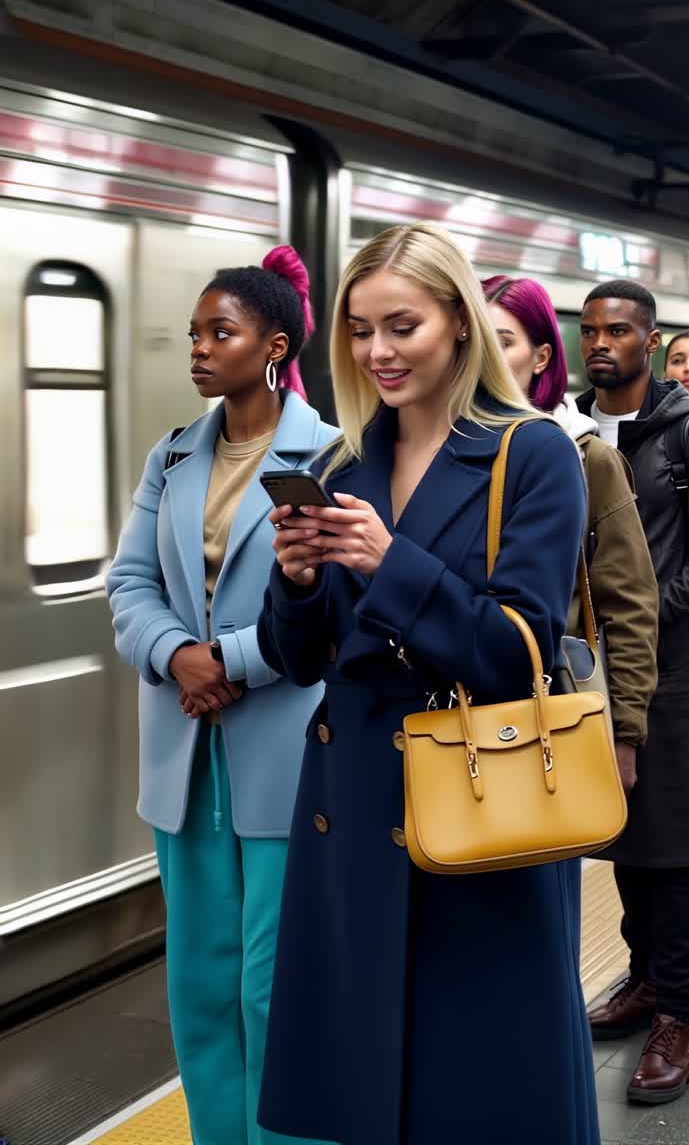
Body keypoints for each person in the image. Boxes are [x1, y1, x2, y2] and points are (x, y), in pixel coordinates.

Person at [255, 222, 597, 1145]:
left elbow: (517, 651)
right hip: (358, 809)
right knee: (371, 1087)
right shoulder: (340, 464)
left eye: (401, 326)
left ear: (457, 320)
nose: (378, 353)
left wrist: (389, 563)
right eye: (361, 332)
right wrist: (294, 584)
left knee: (485, 1084)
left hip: (480, 803)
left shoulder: (533, 455)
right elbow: (299, 661)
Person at [106, 247, 336, 1145]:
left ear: (274, 346)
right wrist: (175, 656)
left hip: (285, 755)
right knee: (201, 986)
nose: (199, 348)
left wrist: (229, 662)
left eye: (221, 332)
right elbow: (128, 584)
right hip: (184, 759)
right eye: (197, 333)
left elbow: (327, 601)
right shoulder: (173, 455)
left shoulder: (330, 452)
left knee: (273, 985)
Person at [576, 278, 689, 1105]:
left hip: (670, 671)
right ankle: (639, 978)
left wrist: (643, 610)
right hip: (590, 673)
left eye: (619, 331)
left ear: (650, 340)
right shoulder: (566, 432)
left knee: (671, 849)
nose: (601, 344)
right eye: (591, 330)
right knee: (623, 836)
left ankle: (679, 1016)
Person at [484, 275, 658, 790]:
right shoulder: (432, 449)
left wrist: (624, 733)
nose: (484, 360)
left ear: (541, 358)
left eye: (504, 342)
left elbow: (629, 602)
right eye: (472, 340)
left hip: (553, 703)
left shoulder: (584, 455)